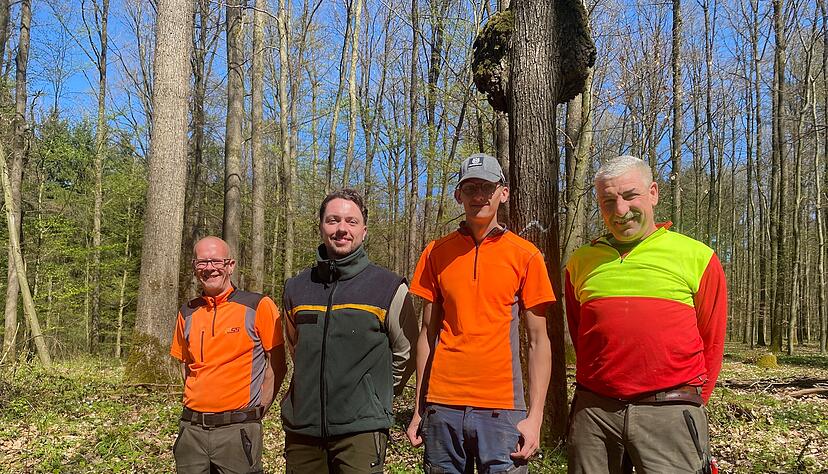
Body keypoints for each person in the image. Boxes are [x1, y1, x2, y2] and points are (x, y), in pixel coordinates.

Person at [564, 155, 727, 474]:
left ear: (653, 193)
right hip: (595, 413)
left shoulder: (697, 257)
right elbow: (579, 331)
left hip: (670, 412)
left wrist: (691, 403)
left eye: (629, 196)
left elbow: (713, 340)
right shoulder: (580, 262)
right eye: (608, 201)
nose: (620, 210)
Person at [406, 153, 556, 474]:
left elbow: (538, 341)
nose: (478, 196)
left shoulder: (525, 255)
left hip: (502, 411)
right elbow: (426, 336)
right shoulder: (436, 253)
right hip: (443, 406)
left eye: (487, 187)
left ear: (503, 192)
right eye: (470, 187)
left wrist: (536, 417)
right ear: (458, 195)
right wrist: (420, 408)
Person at [280, 188, 418, 473]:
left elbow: (407, 352)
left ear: (364, 231)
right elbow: (295, 347)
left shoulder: (388, 287)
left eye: (351, 222)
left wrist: (374, 395)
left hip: (360, 432)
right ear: (321, 227)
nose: (342, 228)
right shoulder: (296, 288)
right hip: (303, 430)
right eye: (333, 220)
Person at [170, 236, 287, 474]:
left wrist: (256, 412)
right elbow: (185, 365)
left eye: (216, 261)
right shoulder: (187, 312)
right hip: (191, 430)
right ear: (194, 267)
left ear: (230, 266)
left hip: (238, 430)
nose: (209, 268)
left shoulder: (258, 306)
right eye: (202, 263)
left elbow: (277, 365)